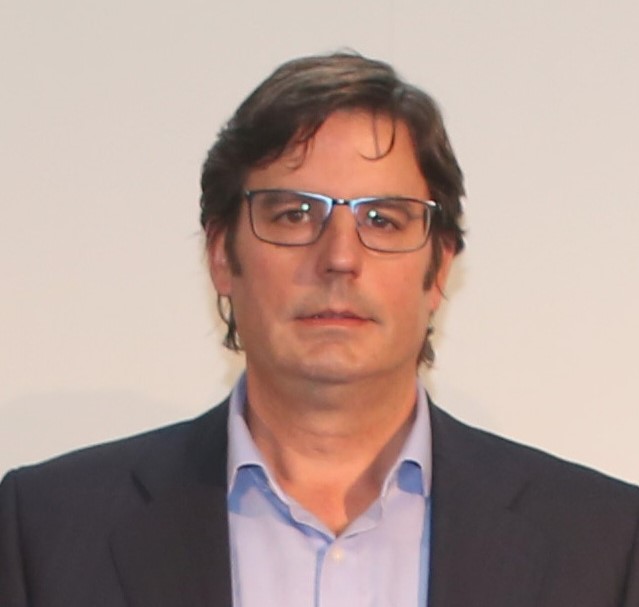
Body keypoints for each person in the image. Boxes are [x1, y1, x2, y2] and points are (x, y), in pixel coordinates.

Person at [1, 52, 638, 607]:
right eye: (293, 214)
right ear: (221, 256)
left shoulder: (602, 544)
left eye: (383, 219)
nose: (339, 257)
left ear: (439, 268)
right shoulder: (47, 530)